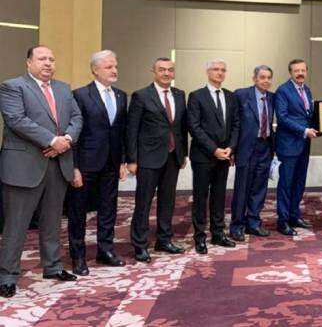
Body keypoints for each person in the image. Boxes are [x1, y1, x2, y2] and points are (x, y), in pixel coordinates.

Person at [0, 45, 83, 298]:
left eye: (51, 59)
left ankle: (53, 266)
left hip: (58, 164)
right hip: (24, 167)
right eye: (42, 59)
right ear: (29, 63)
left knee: (52, 220)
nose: (48, 63)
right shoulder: (13, 87)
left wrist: (66, 140)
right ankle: (7, 276)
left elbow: (77, 118)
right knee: (16, 224)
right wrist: (52, 140)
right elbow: (16, 120)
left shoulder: (64, 88)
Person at [68, 50, 128, 276]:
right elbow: (74, 133)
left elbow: (121, 131)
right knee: (78, 212)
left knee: (108, 209)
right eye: (108, 67)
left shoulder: (121, 95)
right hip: (86, 164)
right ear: (95, 70)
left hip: (111, 163)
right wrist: (74, 166)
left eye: (115, 66)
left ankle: (106, 250)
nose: (114, 70)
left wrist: (122, 161)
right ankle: (78, 256)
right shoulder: (80, 95)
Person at [127, 57, 188, 262]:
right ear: (153, 71)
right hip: (148, 158)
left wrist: (183, 153)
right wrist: (131, 159)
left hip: (172, 157)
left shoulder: (180, 95)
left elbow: (181, 127)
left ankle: (164, 239)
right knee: (143, 203)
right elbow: (132, 129)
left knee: (168, 201)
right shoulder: (141, 95)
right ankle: (140, 244)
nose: (166, 73)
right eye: (161, 70)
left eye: (170, 70)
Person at [187, 59, 239, 254]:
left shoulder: (231, 96)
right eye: (216, 69)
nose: (220, 73)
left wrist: (231, 148)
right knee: (200, 197)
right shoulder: (196, 96)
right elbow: (194, 127)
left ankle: (218, 234)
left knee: (219, 196)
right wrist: (214, 149)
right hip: (203, 156)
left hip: (224, 156)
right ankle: (200, 237)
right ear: (208, 72)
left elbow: (236, 125)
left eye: (223, 70)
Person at [230, 65, 275, 240]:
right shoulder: (241, 95)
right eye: (262, 77)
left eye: (269, 78)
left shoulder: (272, 97)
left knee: (259, 188)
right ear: (254, 78)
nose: (266, 81)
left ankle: (253, 222)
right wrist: (232, 148)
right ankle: (237, 225)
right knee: (242, 188)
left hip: (265, 147)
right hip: (246, 148)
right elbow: (233, 123)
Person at [274, 59, 316, 236]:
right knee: (286, 183)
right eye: (296, 71)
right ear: (290, 72)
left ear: (306, 71)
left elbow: (308, 116)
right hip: (288, 145)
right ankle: (283, 221)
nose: (300, 73)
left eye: (303, 70)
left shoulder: (307, 90)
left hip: (304, 145)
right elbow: (282, 117)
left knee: (299, 182)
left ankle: (294, 215)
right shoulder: (283, 91)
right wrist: (304, 130)